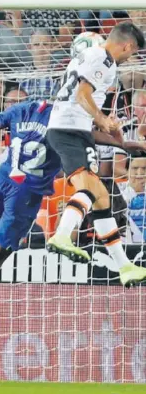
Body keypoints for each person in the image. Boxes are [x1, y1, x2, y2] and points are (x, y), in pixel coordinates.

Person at [0, 96, 146, 348]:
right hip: (25, 196)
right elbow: (96, 138)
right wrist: (127, 144)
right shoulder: (65, 122)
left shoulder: (23, 108)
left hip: (0, 181)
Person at [46, 21, 146, 287]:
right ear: (128, 45)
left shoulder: (86, 57)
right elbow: (82, 95)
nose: (130, 57)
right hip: (69, 133)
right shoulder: (104, 58)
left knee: (101, 198)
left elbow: (80, 101)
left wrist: (117, 139)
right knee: (89, 190)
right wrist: (102, 118)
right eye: (133, 52)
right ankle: (62, 235)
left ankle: (124, 266)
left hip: (72, 130)